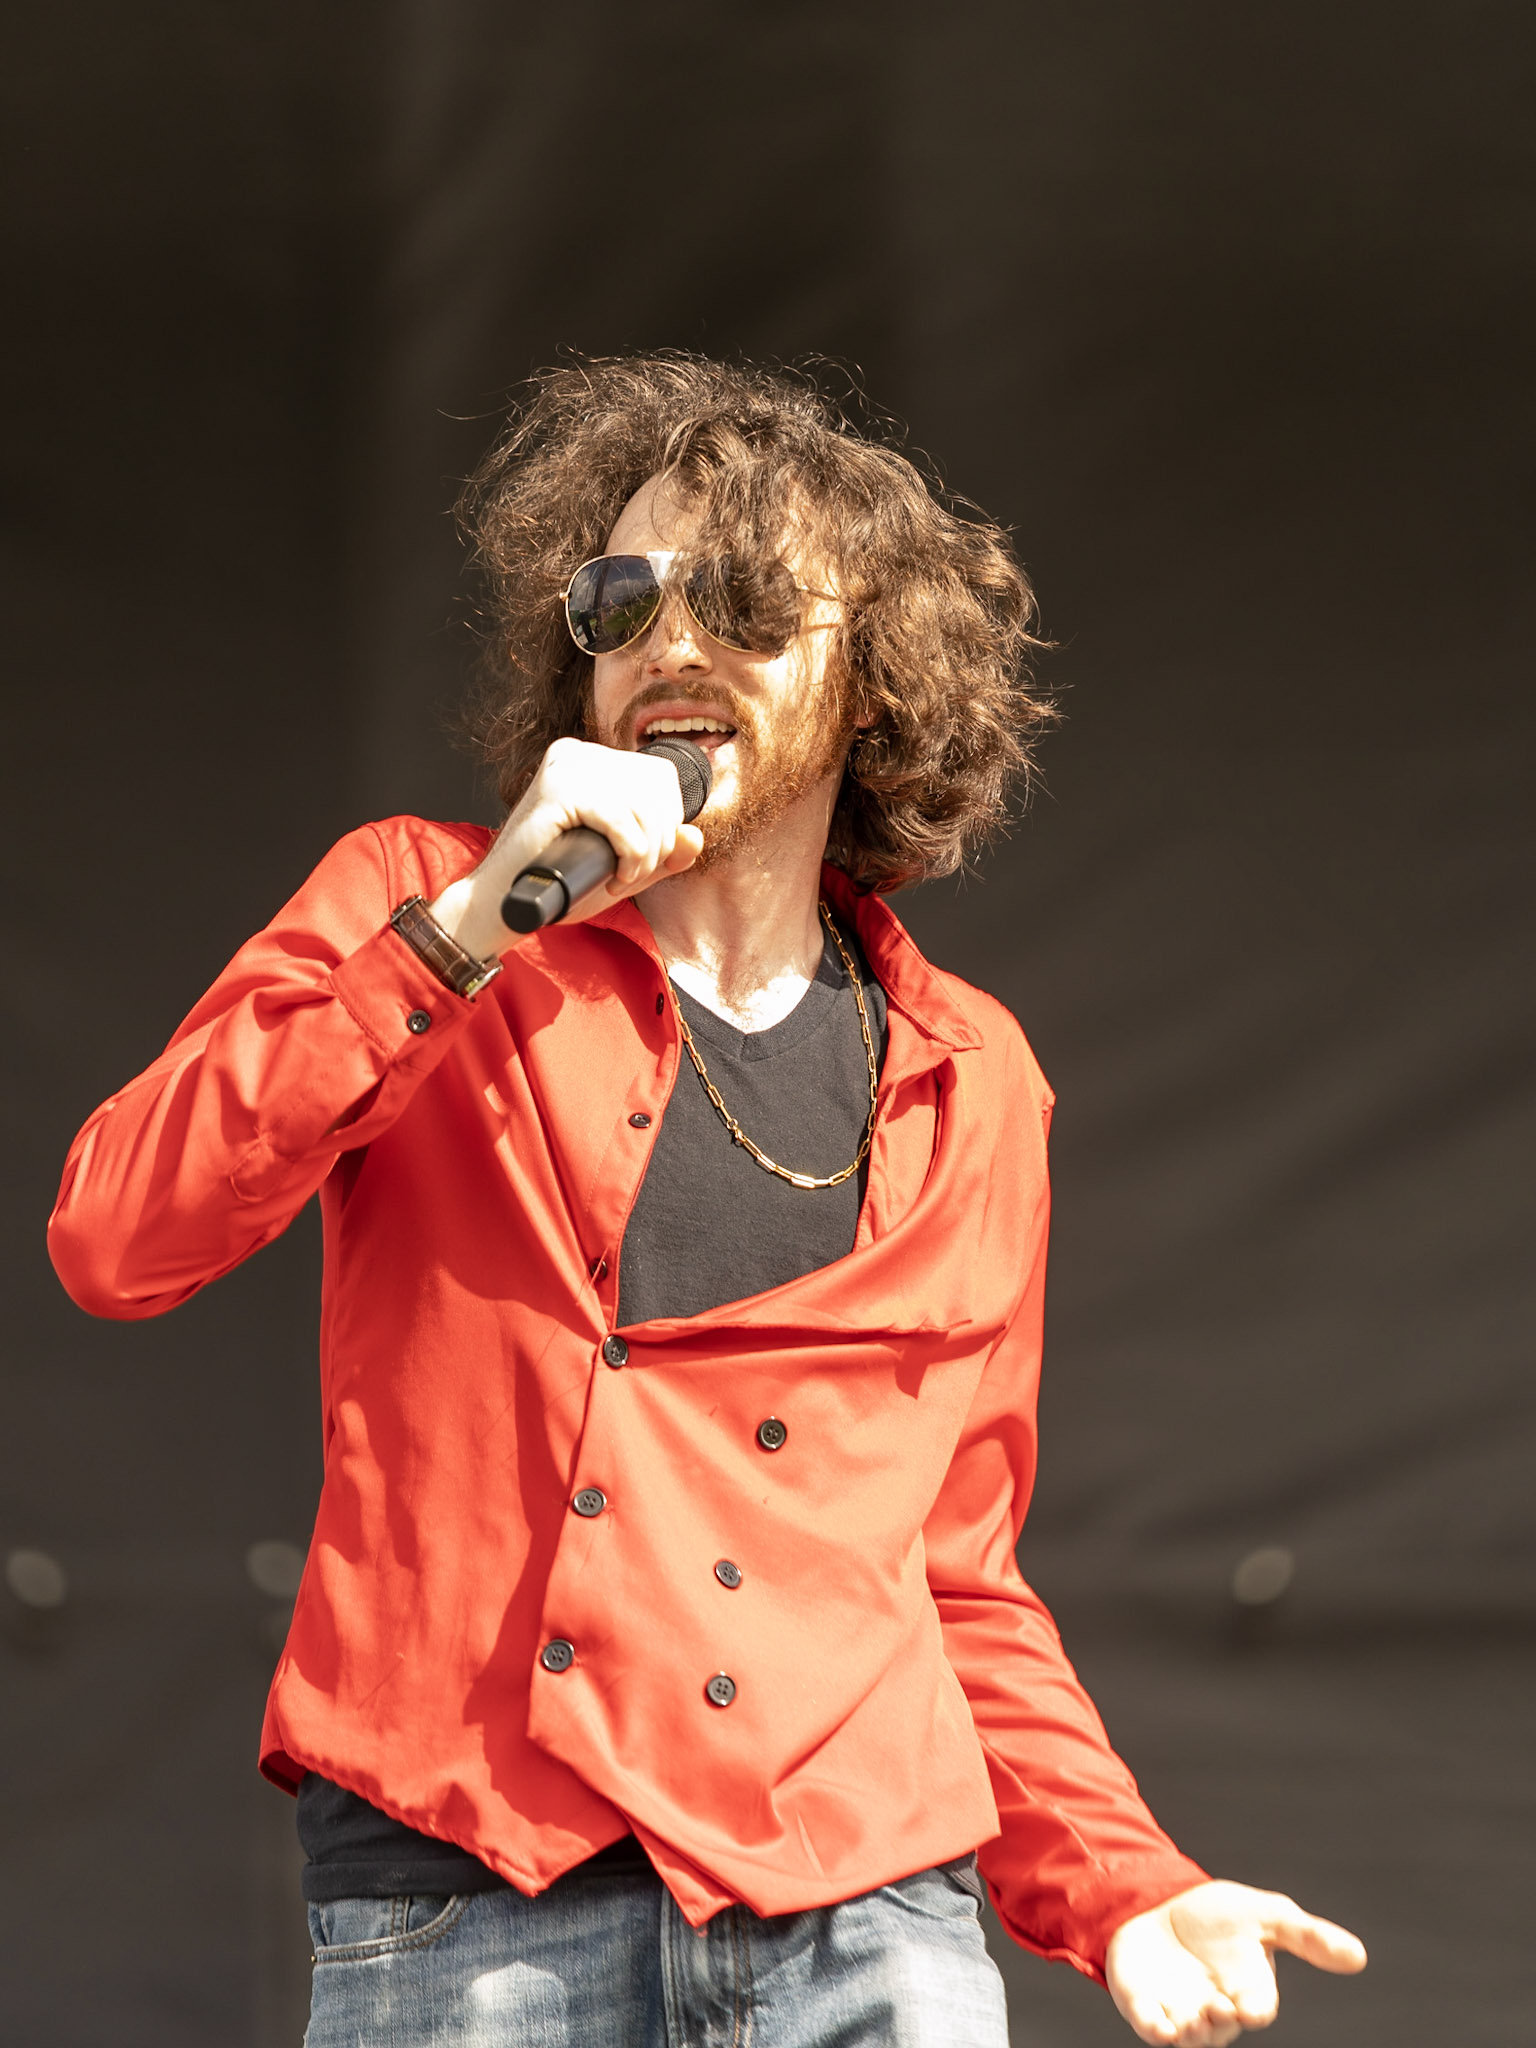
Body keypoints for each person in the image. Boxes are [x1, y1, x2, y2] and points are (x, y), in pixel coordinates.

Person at [49, 356, 1366, 2048]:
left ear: (871, 684)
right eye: (623, 600)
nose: (673, 642)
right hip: (476, 1911)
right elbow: (117, 1235)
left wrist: (1121, 1882)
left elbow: (948, 1572)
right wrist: (468, 934)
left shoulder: (971, 1076)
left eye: (743, 601)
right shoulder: (419, 912)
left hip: (868, 1922)